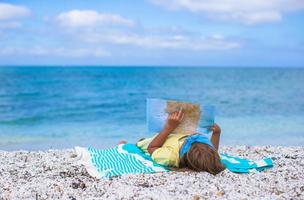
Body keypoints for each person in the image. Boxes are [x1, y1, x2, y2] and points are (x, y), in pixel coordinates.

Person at [119, 108, 225, 175]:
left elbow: (152, 147)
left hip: (156, 141)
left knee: (133, 145)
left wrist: (168, 127)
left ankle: (123, 145)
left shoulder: (170, 157)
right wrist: (217, 133)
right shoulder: (211, 157)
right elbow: (213, 151)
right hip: (175, 136)